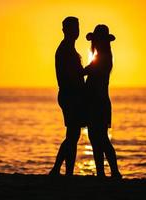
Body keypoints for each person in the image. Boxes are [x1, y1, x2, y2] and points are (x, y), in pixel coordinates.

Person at [84, 24, 122, 179]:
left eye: (98, 40)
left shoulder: (102, 58)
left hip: (97, 103)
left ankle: (111, 172)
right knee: (98, 138)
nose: (96, 43)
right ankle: (105, 172)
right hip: (99, 102)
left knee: (100, 139)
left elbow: (86, 71)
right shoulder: (103, 57)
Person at [49, 17, 86, 176]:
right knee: (72, 135)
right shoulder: (64, 50)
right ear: (65, 30)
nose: (75, 31)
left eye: (77, 28)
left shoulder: (70, 49)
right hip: (69, 96)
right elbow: (70, 76)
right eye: (72, 28)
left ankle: (65, 171)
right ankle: (58, 169)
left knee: (73, 135)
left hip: (72, 96)